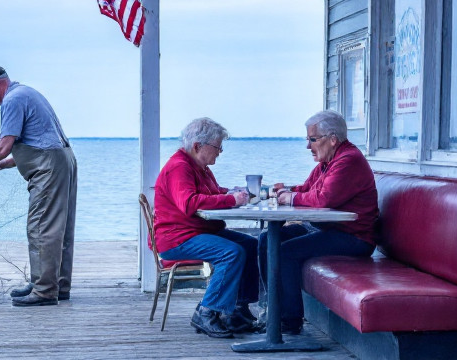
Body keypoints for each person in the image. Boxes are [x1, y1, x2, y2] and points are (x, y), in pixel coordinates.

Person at [0, 63, 77, 307]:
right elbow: (38, 144)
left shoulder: (12, 100)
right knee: (60, 228)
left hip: (50, 167)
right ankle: (55, 285)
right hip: (63, 160)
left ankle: (44, 291)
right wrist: (0, 166)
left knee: (41, 227)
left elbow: (3, 147)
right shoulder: (27, 93)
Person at [259, 110, 378, 334]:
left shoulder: (348, 161)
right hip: (328, 229)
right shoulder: (328, 162)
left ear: (332, 139)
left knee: (285, 252)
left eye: (312, 139)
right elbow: (307, 189)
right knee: (267, 240)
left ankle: (289, 320)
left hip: (354, 238)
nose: (308, 146)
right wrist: (285, 190)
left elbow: (324, 199)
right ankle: (271, 310)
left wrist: (291, 198)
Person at [154, 117, 259, 339]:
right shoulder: (179, 167)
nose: (220, 152)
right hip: (178, 238)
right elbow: (189, 203)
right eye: (217, 147)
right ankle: (206, 311)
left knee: (251, 245)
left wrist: (232, 192)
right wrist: (231, 200)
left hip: (197, 231)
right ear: (197, 146)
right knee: (231, 252)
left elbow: (211, 192)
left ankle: (237, 309)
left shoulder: (199, 167)